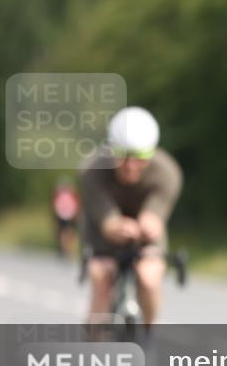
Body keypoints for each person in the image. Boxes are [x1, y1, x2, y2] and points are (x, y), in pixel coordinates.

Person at [79, 106, 182, 329]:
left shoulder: (167, 172)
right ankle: (95, 350)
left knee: (148, 277)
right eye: (122, 156)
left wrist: (149, 224)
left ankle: (149, 333)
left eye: (140, 156)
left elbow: (155, 216)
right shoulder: (91, 170)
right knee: (102, 276)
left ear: (152, 152)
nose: (130, 166)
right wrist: (114, 225)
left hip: (143, 229)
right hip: (101, 229)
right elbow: (107, 220)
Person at [51, 176, 80, 259]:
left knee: (63, 232)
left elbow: (54, 205)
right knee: (68, 232)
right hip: (70, 215)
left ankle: (65, 249)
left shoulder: (58, 194)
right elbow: (77, 204)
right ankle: (67, 249)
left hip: (61, 215)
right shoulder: (72, 194)